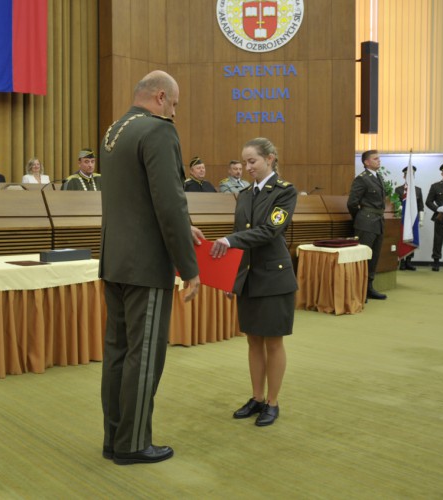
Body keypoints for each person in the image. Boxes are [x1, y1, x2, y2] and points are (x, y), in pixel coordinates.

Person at [100, 70, 201, 465]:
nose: (174, 113)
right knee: (144, 356)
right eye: (173, 104)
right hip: (146, 263)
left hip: (115, 260)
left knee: (118, 353)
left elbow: (136, 197)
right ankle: (133, 444)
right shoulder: (158, 130)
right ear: (160, 97)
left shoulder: (114, 131)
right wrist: (188, 267)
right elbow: (170, 202)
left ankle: (114, 438)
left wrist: (183, 226)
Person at [210, 137, 297, 428]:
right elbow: (240, 240)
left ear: (269, 158)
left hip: (274, 278)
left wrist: (229, 240)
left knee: (273, 341)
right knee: (253, 340)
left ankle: (272, 402)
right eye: (244, 162)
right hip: (248, 277)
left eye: (252, 161)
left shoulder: (285, 191)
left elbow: (270, 231)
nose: (247, 167)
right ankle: (257, 397)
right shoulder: (245, 194)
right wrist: (231, 279)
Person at [347, 150, 387, 300]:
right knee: (363, 257)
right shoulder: (362, 179)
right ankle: (359, 290)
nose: (379, 161)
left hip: (378, 221)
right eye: (375, 159)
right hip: (366, 222)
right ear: (366, 162)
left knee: (374, 256)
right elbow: (352, 203)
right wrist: (361, 218)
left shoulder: (378, 177)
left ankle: (369, 288)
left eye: (379, 158)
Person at [395, 165, 424, 271]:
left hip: (414, 219)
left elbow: (420, 206)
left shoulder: (418, 190)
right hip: (403, 219)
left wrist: (421, 219)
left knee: (413, 238)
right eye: (407, 175)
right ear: (404, 176)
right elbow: (395, 204)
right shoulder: (399, 189)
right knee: (402, 239)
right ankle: (402, 261)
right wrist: (400, 208)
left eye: (412, 175)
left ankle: (409, 261)